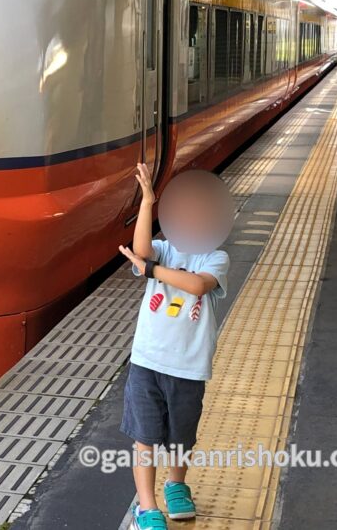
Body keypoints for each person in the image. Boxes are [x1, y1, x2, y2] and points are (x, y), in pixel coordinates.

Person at [118, 163, 230, 528]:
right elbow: (142, 251)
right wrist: (148, 202)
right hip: (147, 362)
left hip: (188, 368)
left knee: (181, 437)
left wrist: (150, 271)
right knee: (145, 438)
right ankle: (147, 508)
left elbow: (198, 286)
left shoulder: (216, 258)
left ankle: (176, 485)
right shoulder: (163, 249)